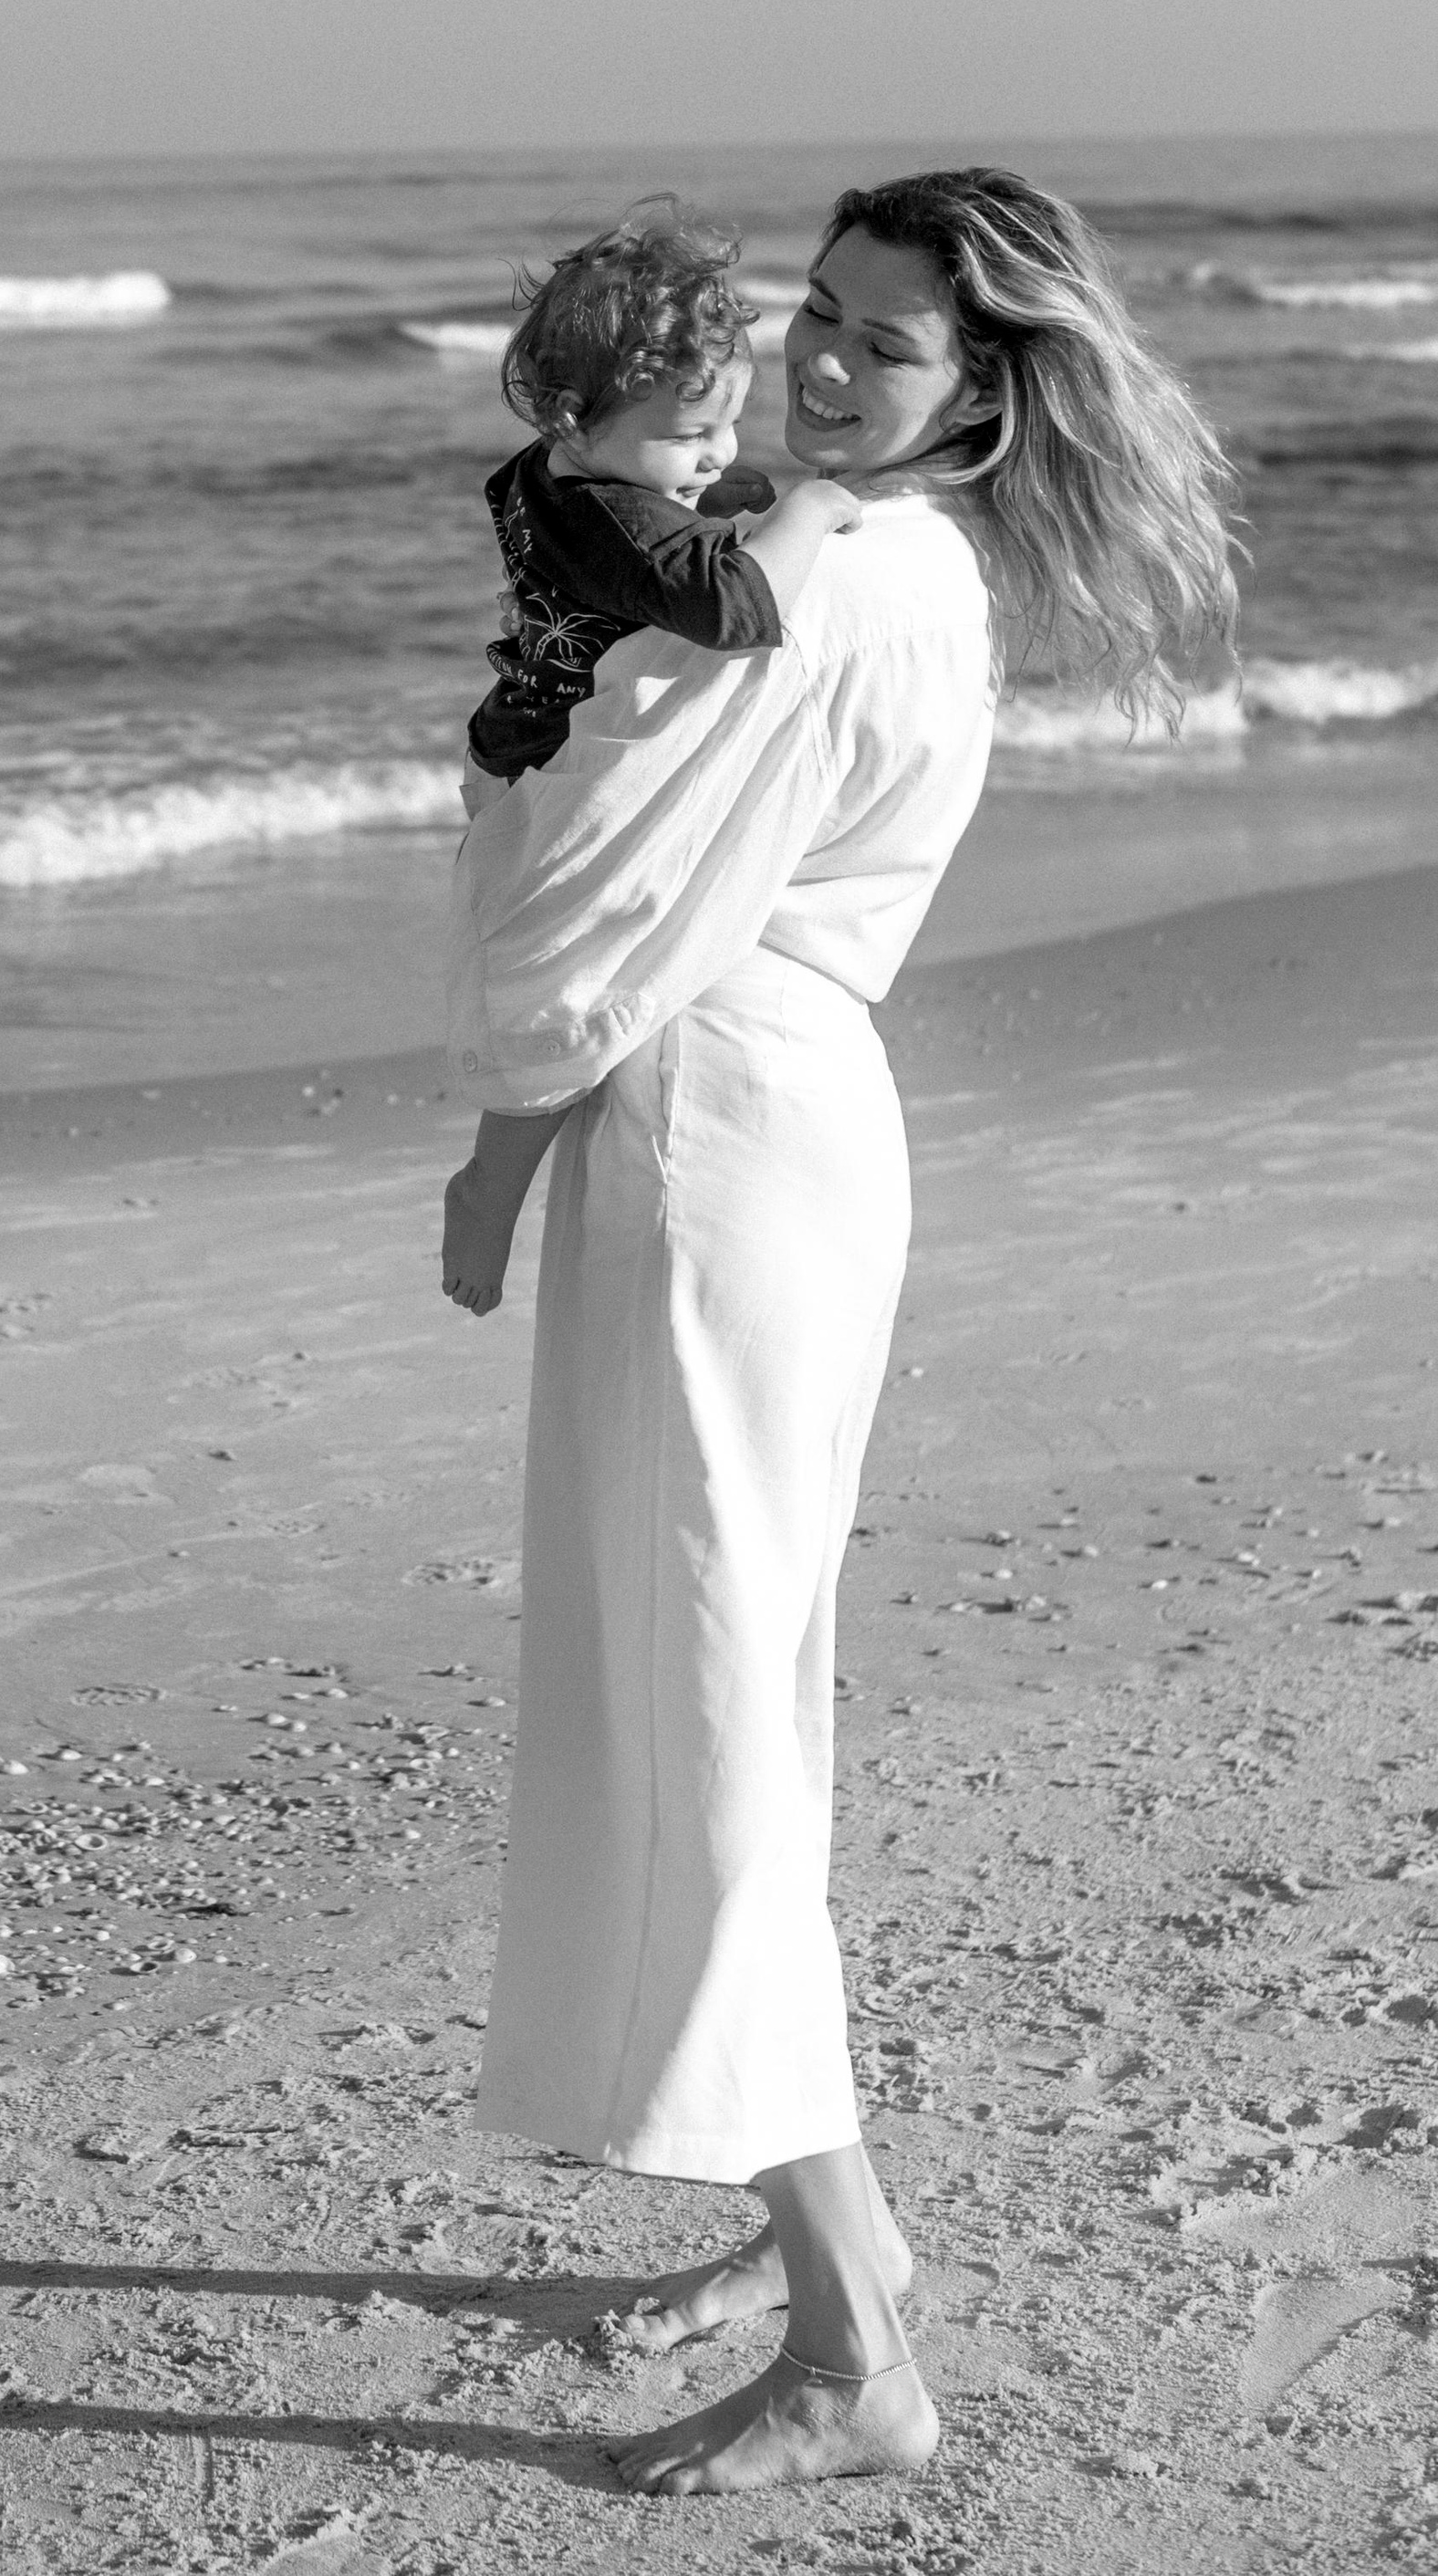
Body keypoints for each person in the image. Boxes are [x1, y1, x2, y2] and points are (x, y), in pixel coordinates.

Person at [441, 167, 1236, 2495]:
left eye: (879, 346)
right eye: (814, 310)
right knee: (736, 1681)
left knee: (705, 1706)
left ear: (976, 389)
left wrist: (497, 1127)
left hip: (708, 1126)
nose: (813, 359)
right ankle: (815, 2217)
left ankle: (848, 2345)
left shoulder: (814, 567)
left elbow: (611, 889)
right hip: (778, 1117)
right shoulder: (887, 553)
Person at [465, 198, 863, 794]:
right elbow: (737, 608)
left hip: (508, 741)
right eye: (689, 435)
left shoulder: (536, 471)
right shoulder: (623, 519)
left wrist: (689, 502)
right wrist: (808, 510)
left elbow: (609, 563)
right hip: (559, 773)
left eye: (727, 424)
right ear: (571, 421)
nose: (722, 452)